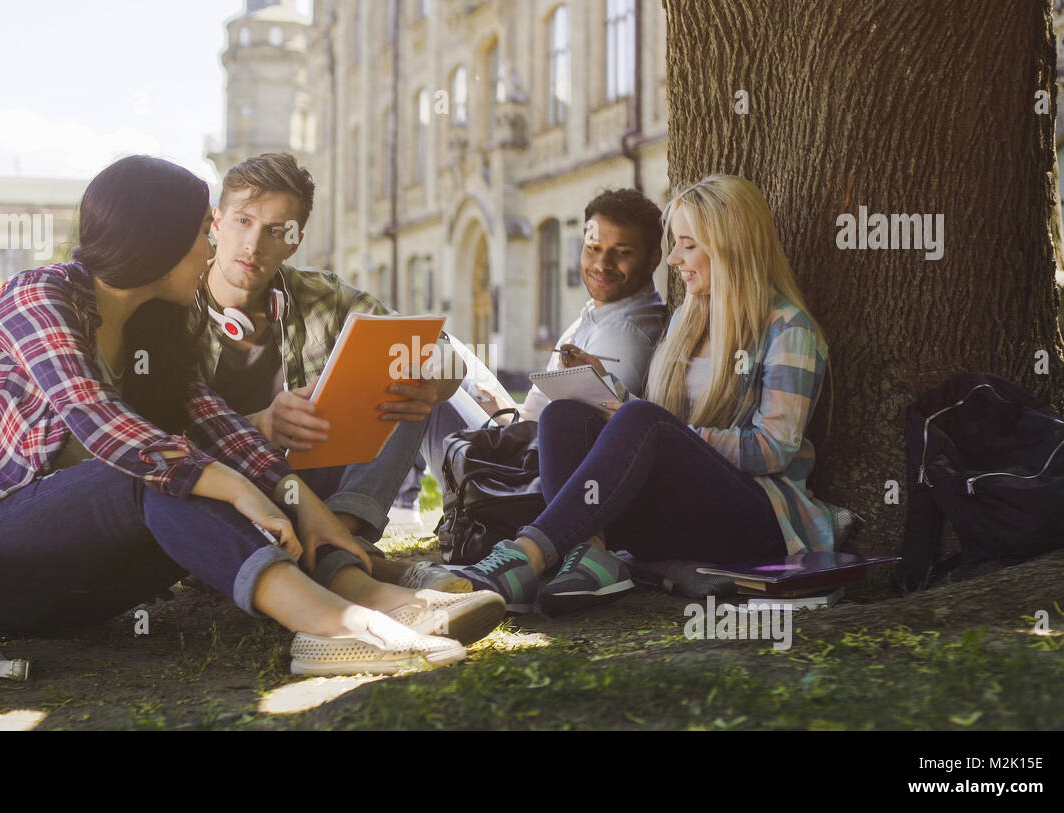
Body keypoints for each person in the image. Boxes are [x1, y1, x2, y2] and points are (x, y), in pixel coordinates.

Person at [0, 155, 504, 675]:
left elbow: (225, 433)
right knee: (158, 468)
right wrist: (241, 487)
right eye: (204, 232)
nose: (214, 247)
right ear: (158, 242)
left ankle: (361, 588)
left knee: (208, 460)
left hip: (79, 594)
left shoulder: (156, 329)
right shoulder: (36, 299)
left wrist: (305, 507)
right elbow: (105, 427)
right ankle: (333, 625)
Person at [453, 174, 836, 616]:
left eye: (687, 245)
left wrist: (671, 430)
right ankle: (591, 555)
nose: (672, 259)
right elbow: (657, 424)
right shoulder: (686, 323)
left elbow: (773, 450)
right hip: (676, 512)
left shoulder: (788, 330)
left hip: (755, 519)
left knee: (643, 419)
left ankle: (528, 556)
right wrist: (605, 389)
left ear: (730, 246)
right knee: (563, 414)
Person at [195, 152, 472, 592]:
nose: (253, 245)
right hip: (223, 492)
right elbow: (158, 439)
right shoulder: (175, 306)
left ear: (294, 242)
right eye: (243, 221)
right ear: (216, 222)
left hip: (316, 487)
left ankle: (338, 543)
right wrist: (261, 424)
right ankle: (349, 565)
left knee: (404, 375)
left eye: (274, 231)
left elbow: (441, 352)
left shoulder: (319, 294)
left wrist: (435, 379)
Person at [416, 188, 670, 484]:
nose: (602, 264)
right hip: (520, 447)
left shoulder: (624, 335)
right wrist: (503, 412)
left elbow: (577, 449)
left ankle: (402, 500)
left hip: (510, 485)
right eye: (594, 248)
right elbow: (545, 424)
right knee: (437, 347)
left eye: (622, 253)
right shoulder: (603, 313)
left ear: (654, 257)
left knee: (416, 369)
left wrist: (508, 425)